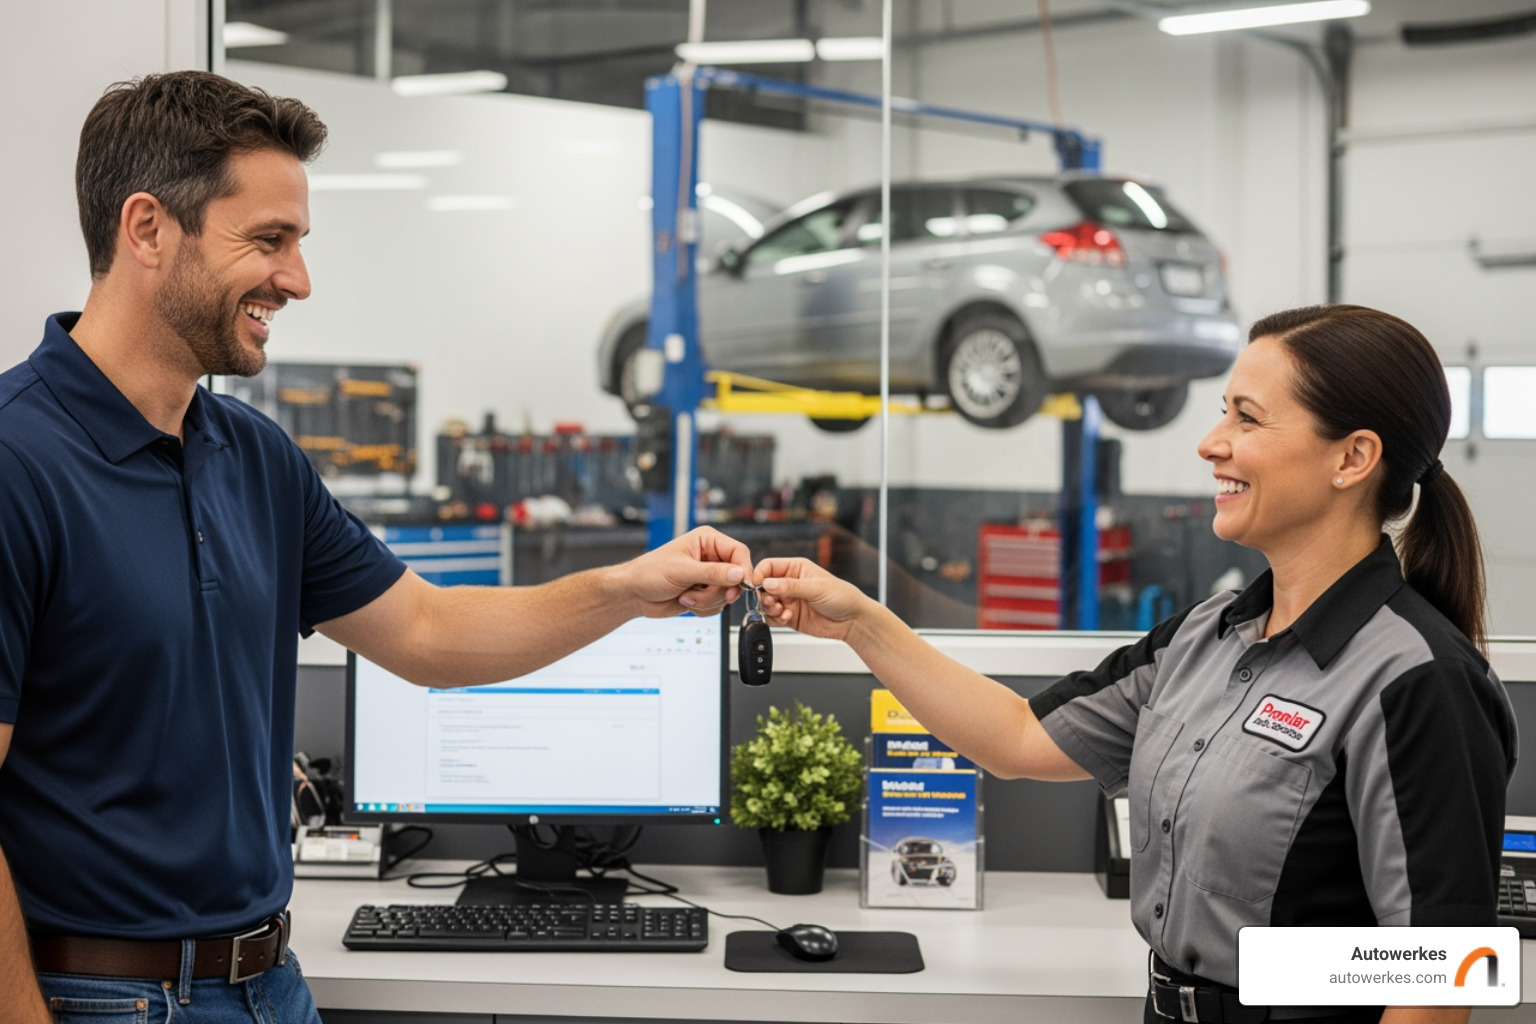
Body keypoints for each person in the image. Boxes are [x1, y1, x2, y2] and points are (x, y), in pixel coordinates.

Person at [0, 71, 753, 1022]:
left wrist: (628, 588)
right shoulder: (16, 461)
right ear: (147, 229)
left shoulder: (255, 457)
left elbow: (427, 630)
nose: (298, 279)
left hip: (268, 984)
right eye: (267, 240)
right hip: (98, 995)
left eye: (299, 242)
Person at [753, 304, 1515, 1024]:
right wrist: (861, 624)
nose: (1211, 441)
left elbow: (1441, 973)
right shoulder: (1208, 636)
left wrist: (1276, 979)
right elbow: (1018, 737)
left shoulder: (1418, 678)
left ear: (1353, 457)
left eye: (1246, 418)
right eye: (1223, 411)